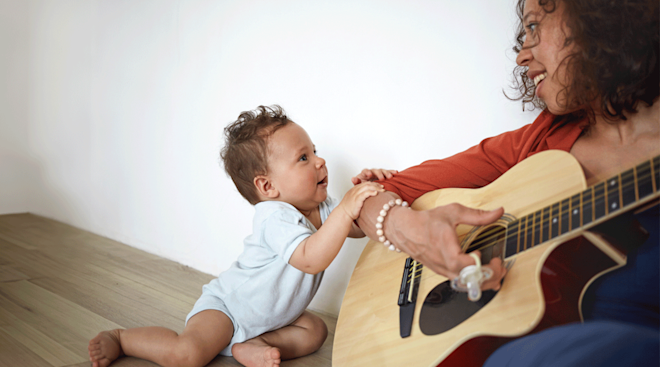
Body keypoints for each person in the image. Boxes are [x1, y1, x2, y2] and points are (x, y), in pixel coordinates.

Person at [354, 0, 659, 365]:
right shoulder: (537, 144)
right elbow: (364, 199)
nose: (521, 56)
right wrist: (410, 230)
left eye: (533, 27)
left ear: (601, 19)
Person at [88, 105, 394, 367]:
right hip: (228, 310)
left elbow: (354, 228)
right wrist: (345, 210)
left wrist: (366, 196)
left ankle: (251, 344)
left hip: (272, 320)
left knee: (316, 331)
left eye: (314, 151)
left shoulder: (323, 207)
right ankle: (123, 339)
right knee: (188, 354)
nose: (319, 161)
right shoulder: (274, 216)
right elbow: (310, 259)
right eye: (303, 158)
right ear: (268, 187)